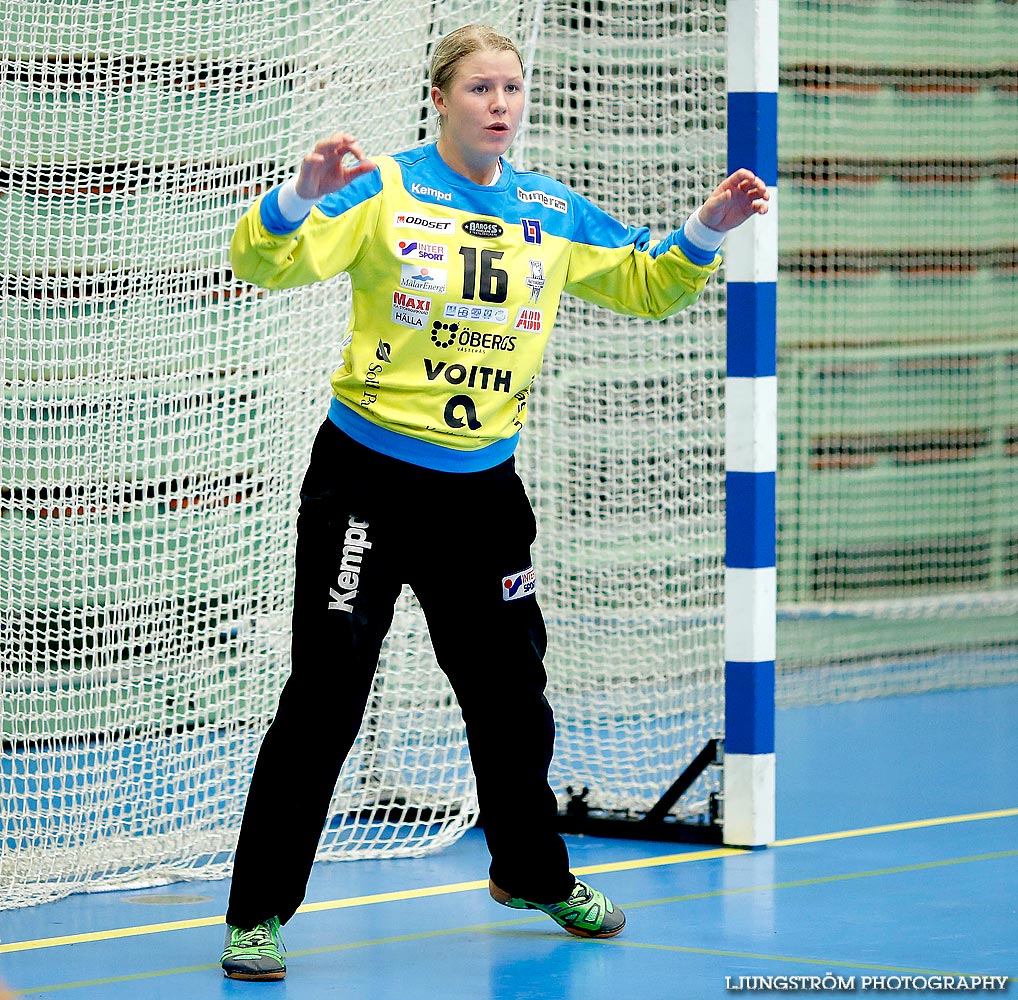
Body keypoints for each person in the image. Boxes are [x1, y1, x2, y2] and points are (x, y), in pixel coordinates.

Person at [220, 23, 769, 981]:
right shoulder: (381, 188)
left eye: (513, 88)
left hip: (483, 494)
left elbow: (647, 286)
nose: (501, 105)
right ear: (440, 98)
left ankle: (529, 872)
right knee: (325, 696)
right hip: (368, 483)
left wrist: (707, 229)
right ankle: (257, 914)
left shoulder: (548, 209)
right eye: (480, 89)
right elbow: (266, 263)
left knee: (511, 699)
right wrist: (300, 195)